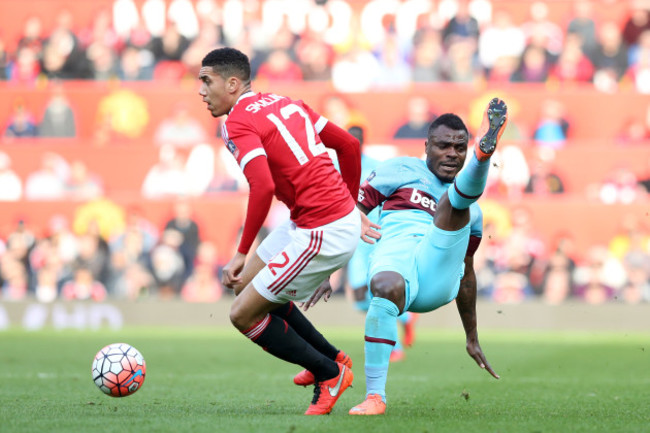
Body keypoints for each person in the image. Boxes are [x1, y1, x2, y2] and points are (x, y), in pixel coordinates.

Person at [198, 47, 373, 415]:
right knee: (249, 287)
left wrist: (242, 251)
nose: (201, 90)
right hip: (313, 220)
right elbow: (349, 145)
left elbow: (261, 186)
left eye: (206, 80)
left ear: (232, 83)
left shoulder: (235, 122)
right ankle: (332, 357)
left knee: (241, 315)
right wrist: (353, 207)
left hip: (320, 228)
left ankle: (328, 373)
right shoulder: (285, 101)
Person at [316, 98, 507, 415]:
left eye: (460, 148)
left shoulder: (473, 213)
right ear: (426, 145)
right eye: (443, 146)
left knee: (456, 204)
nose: (451, 154)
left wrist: (472, 337)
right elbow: (353, 214)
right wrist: (327, 268)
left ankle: (483, 158)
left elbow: (467, 272)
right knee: (383, 287)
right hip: (396, 263)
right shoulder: (399, 169)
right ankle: (375, 398)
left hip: (438, 276)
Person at [341, 125, 418, 363]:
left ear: (362, 143)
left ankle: (394, 347)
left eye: (357, 141)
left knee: (377, 292)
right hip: (351, 237)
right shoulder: (334, 167)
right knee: (360, 295)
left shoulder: (376, 166)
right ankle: (406, 319)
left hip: (374, 235)